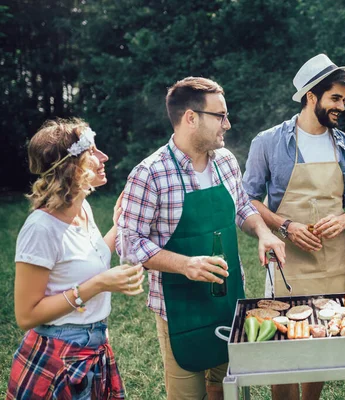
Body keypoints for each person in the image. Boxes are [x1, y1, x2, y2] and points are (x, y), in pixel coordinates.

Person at [118, 77, 284, 400]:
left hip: (228, 301)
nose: (228, 124)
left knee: (227, 389)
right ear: (191, 118)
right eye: (220, 116)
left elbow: (243, 208)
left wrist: (263, 232)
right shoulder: (149, 173)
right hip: (180, 309)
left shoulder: (225, 162)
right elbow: (128, 243)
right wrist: (185, 264)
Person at [242, 54, 345, 400]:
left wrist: (343, 219)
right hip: (287, 264)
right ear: (311, 96)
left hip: (334, 262)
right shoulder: (268, 142)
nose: (342, 106)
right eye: (335, 98)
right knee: (282, 348)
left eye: (344, 99)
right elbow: (247, 201)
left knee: (320, 342)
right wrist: (285, 224)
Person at [7, 118, 145, 400]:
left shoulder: (83, 210)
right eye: (92, 152)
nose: (103, 157)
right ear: (71, 166)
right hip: (59, 356)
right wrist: (98, 284)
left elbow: (92, 258)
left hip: (93, 346)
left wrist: (120, 223)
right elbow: (26, 315)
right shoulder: (40, 229)